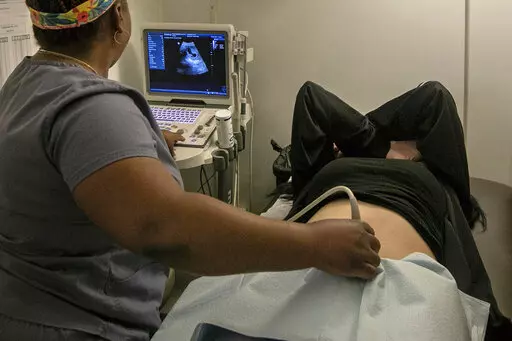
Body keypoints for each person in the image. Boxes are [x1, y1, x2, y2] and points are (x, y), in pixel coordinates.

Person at [0, 1, 382, 340]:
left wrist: (139, 141)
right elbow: (165, 229)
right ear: (118, 15)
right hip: (79, 324)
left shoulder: (25, 84)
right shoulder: (91, 109)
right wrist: (315, 244)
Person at [152, 81, 511, 341]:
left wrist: (374, 146)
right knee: (310, 91)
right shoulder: (333, 169)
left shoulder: (431, 178)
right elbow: (311, 98)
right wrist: (370, 147)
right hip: (299, 264)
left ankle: (371, 136)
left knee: (434, 92)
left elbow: (436, 101)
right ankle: (372, 137)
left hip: (395, 277)